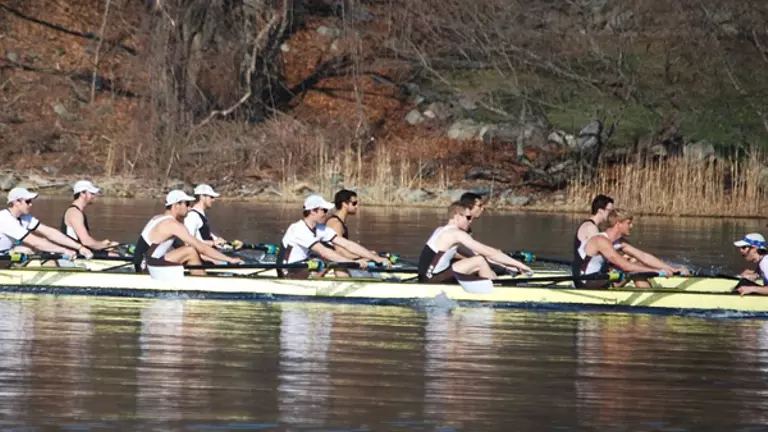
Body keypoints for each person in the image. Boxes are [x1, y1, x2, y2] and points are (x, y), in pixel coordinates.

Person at [132, 190, 243, 280]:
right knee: (190, 251)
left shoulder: (157, 218)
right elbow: (201, 247)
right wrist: (229, 259)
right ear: (176, 205)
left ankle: (198, 276)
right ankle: (203, 284)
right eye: (187, 204)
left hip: (143, 263)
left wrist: (216, 260)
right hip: (147, 269)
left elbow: (183, 246)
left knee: (189, 250)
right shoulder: (172, 225)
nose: (189, 208)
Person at [417, 202, 533, 284]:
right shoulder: (456, 234)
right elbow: (490, 253)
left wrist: (506, 265)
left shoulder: (440, 230)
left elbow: (473, 253)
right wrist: (521, 265)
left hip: (426, 276)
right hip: (432, 280)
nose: (471, 221)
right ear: (457, 216)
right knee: (479, 261)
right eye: (468, 217)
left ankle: (493, 279)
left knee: (477, 260)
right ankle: (497, 290)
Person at [277, 194, 390, 279]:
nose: (327, 214)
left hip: (304, 265)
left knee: (336, 260)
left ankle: (345, 284)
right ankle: (344, 288)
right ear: (312, 211)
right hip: (288, 271)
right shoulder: (299, 229)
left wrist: (375, 258)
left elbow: (347, 244)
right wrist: (352, 262)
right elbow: (324, 252)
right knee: (333, 259)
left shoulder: (320, 229)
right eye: (324, 210)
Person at [574, 209, 688, 288]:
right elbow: (625, 266)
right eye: (629, 223)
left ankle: (648, 294)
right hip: (585, 282)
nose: (631, 226)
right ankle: (648, 299)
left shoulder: (620, 242)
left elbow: (644, 257)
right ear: (618, 224)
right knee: (633, 268)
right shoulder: (601, 241)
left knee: (636, 262)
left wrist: (671, 268)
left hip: (599, 278)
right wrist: (657, 271)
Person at [0, 187, 94, 259]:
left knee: (42, 244)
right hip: (3, 257)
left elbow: (50, 233)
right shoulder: (5, 219)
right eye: (27, 201)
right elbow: (35, 242)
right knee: (28, 249)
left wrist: (79, 247)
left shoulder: (25, 218)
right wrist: (64, 250)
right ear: (16, 202)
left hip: (6, 253)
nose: (31, 204)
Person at [60, 180, 119, 252]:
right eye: (92, 193)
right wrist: (107, 246)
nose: (94, 196)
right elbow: (86, 242)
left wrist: (102, 243)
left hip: (82, 251)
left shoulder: (77, 211)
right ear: (82, 193)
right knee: (115, 254)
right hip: (76, 253)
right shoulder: (75, 213)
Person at [572, 194, 614, 277]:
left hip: (584, 270)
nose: (611, 215)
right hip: (583, 275)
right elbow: (603, 251)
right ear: (600, 211)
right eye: (610, 211)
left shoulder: (593, 226)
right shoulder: (591, 228)